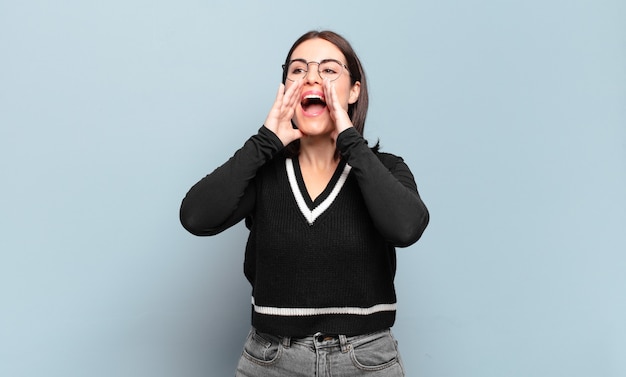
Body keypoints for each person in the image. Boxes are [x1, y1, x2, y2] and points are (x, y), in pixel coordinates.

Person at [180, 30, 429, 377]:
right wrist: (264, 142)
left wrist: (350, 141)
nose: (312, 76)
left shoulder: (385, 169)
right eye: (298, 70)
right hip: (271, 361)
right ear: (286, 89)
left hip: (366, 362)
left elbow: (405, 228)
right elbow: (195, 216)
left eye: (328, 70)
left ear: (354, 90)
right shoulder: (263, 173)